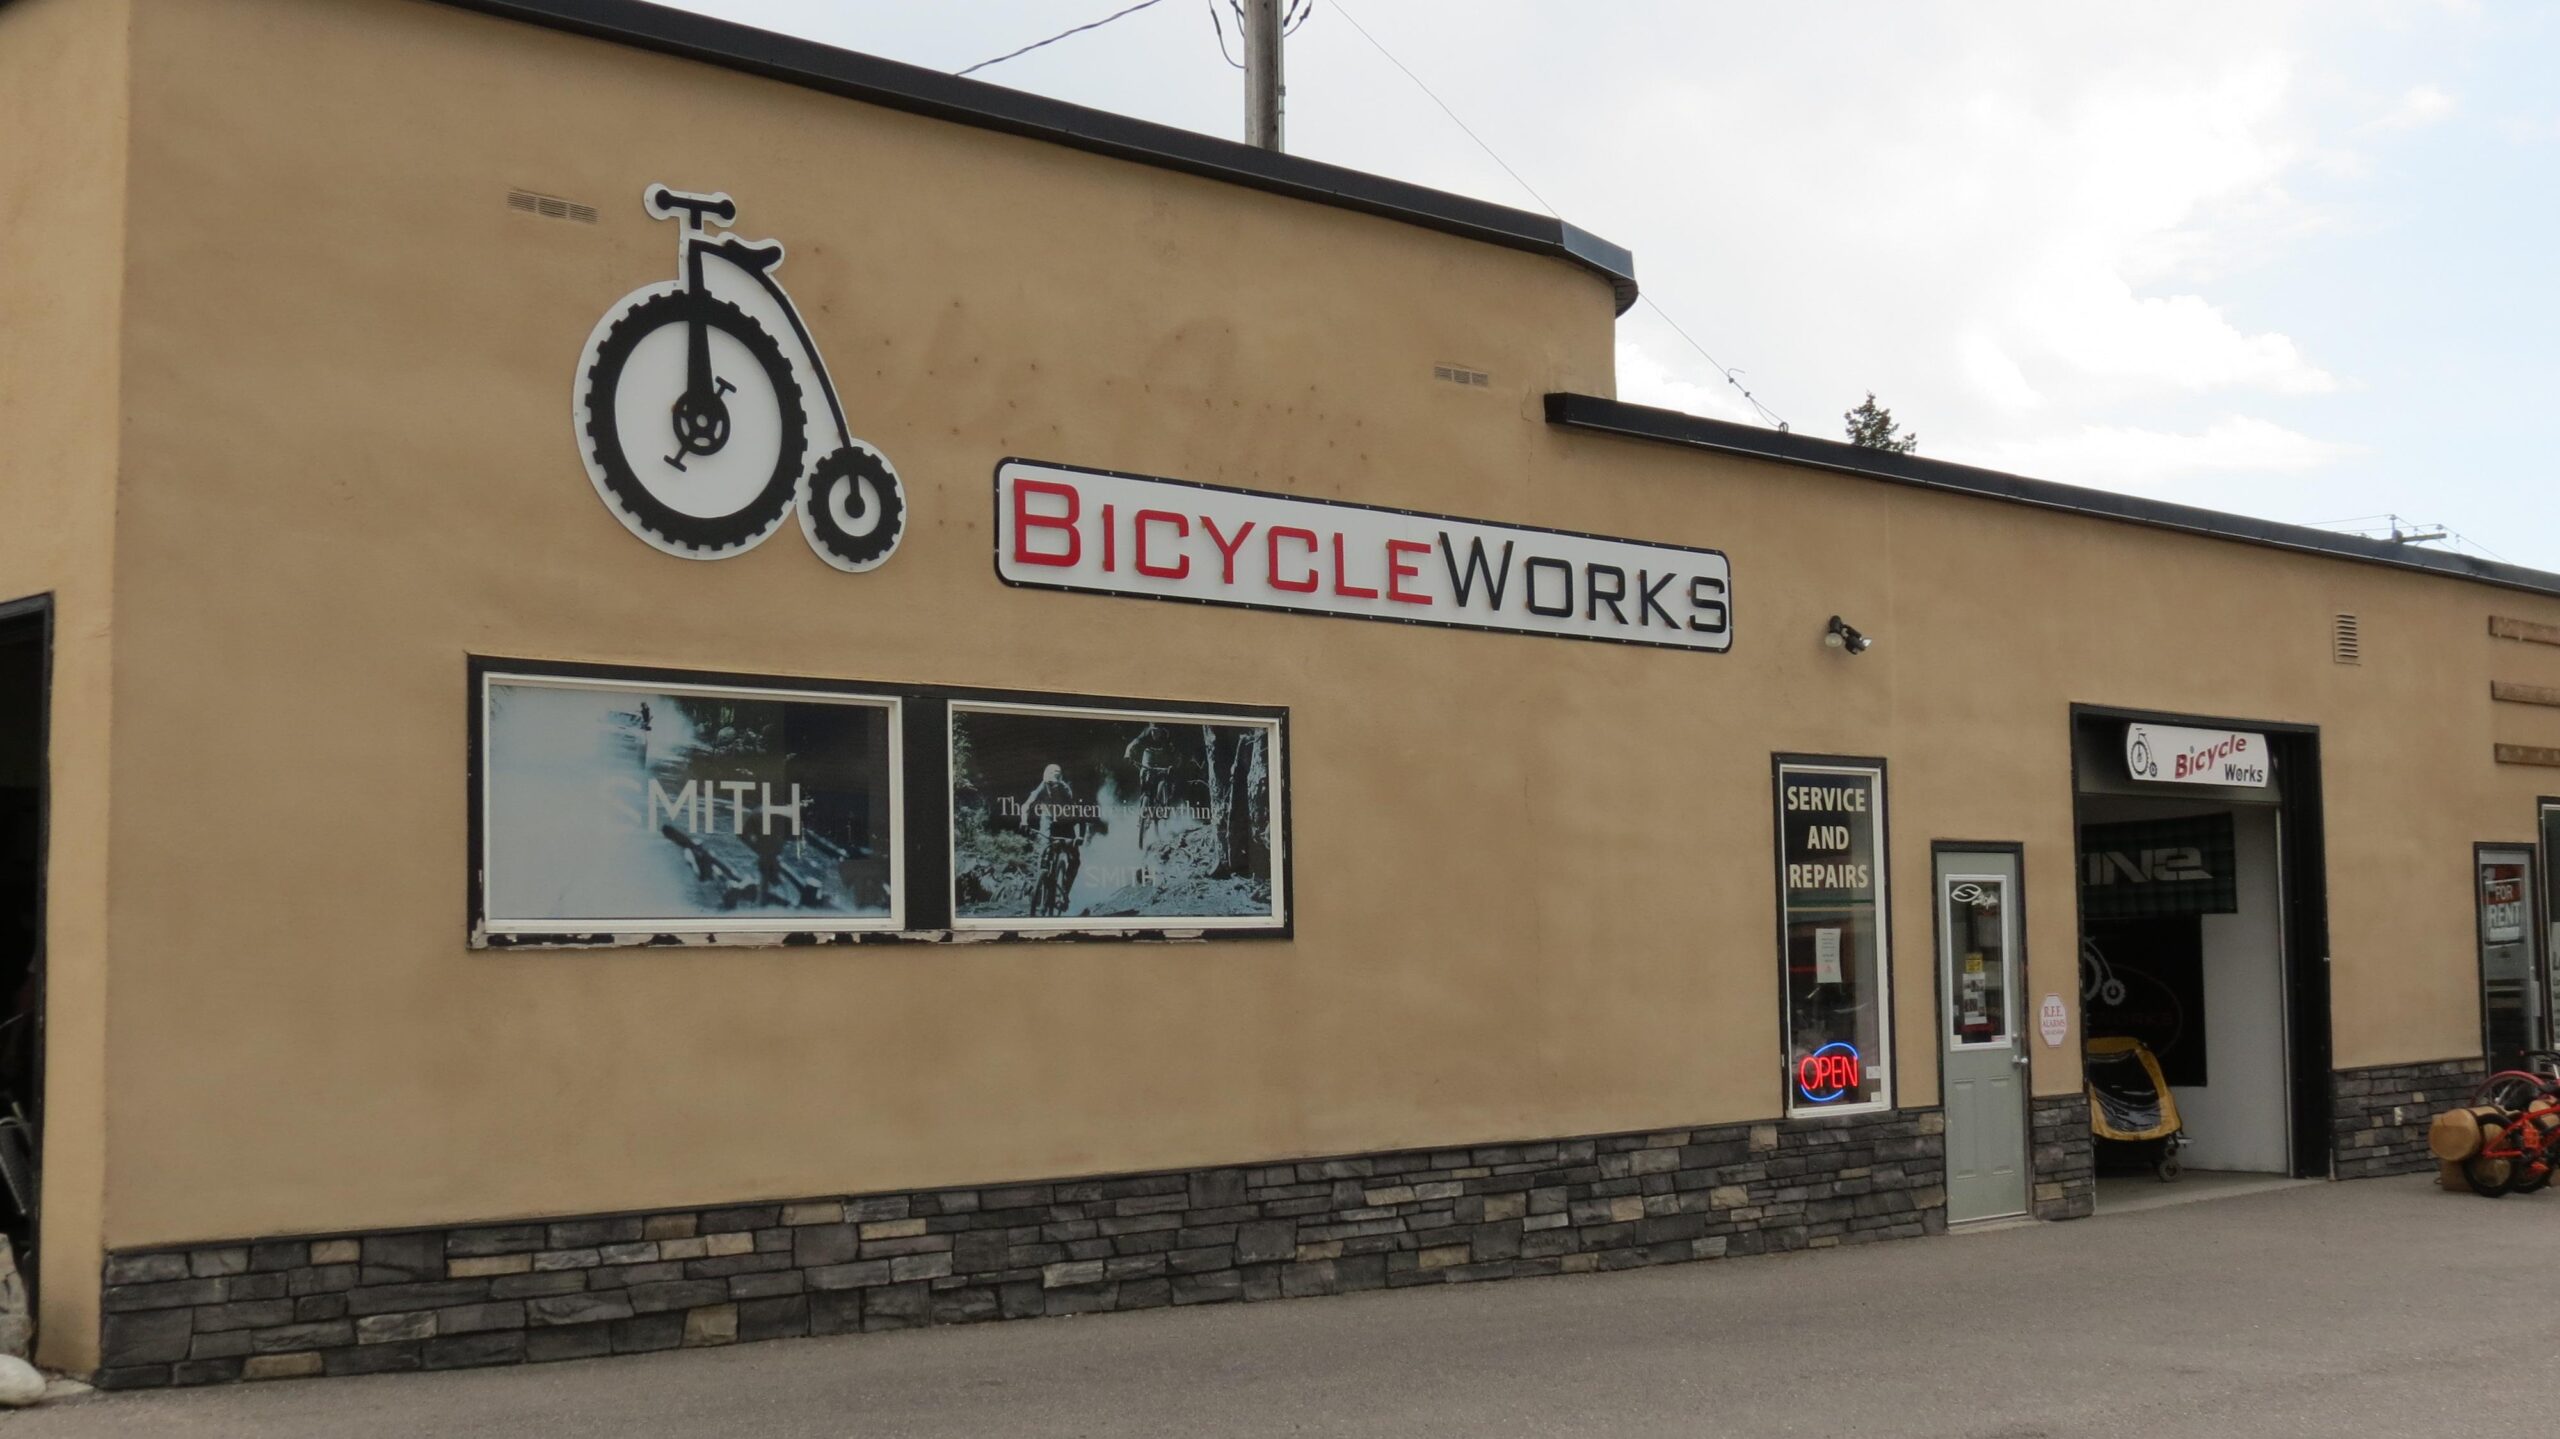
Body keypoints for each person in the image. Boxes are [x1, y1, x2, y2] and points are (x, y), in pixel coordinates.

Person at [1020, 764, 1084, 914]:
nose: (1051, 787)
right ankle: (1040, 883)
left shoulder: (1067, 791)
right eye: (1049, 783)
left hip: (1066, 823)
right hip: (1048, 820)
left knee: (1075, 859)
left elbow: (1080, 816)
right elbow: (1026, 805)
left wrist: (1080, 836)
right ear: (1045, 781)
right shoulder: (1042, 787)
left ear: (1060, 782)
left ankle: (1065, 893)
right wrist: (1024, 820)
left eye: (1054, 784)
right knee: (1044, 848)